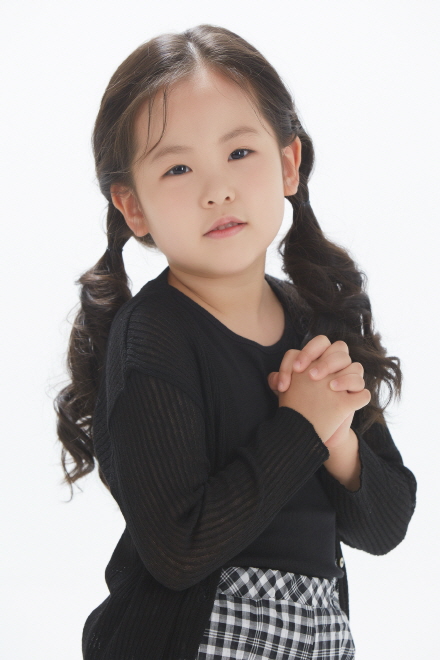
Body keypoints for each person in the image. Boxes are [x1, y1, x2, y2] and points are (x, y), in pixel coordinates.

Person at [54, 24, 417, 660]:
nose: (216, 189)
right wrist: (301, 428)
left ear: (288, 164)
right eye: (178, 167)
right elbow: (176, 550)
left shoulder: (315, 320)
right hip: (192, 640)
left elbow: (385, 526)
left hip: (320, 638)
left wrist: (338, 441)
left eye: (240, 153)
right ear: (133, 207)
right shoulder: (153, 336)